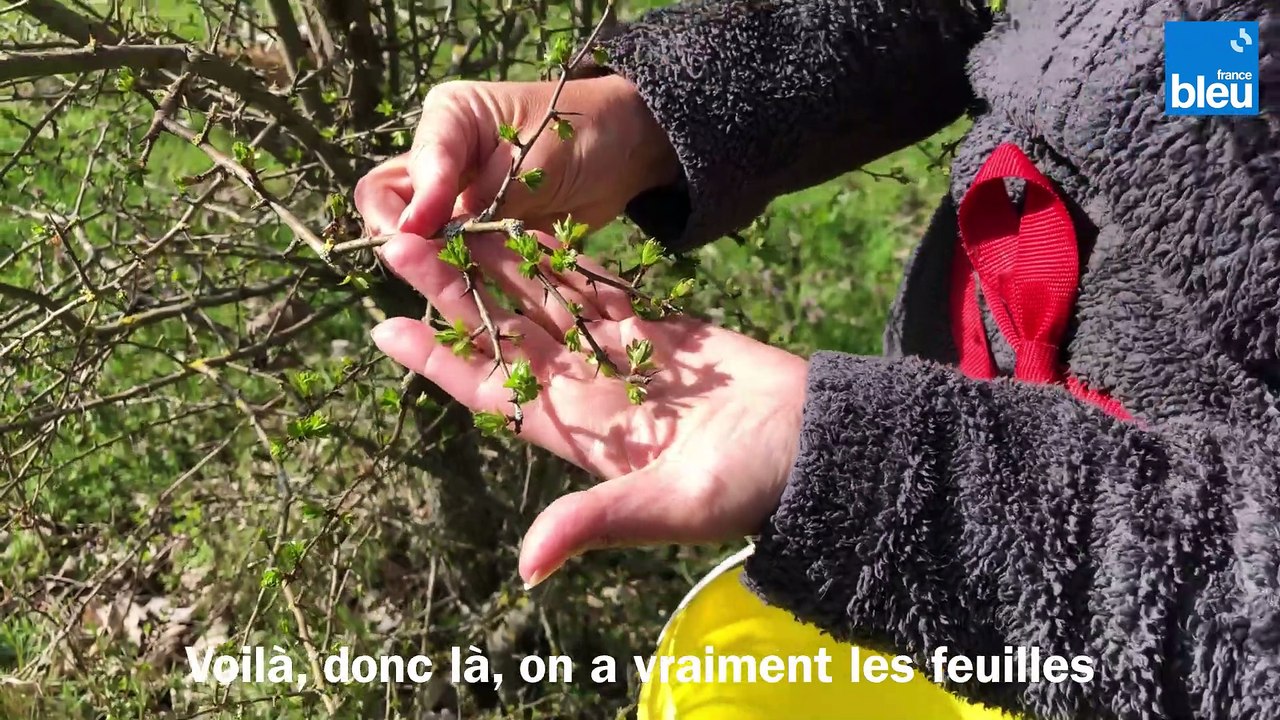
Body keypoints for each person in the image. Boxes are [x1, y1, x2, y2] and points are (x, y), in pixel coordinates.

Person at [355, 0, 1278, 716]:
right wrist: (645, 116)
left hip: (1111, 609)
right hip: (960, 373)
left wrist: (895, 477)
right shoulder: (1222, 63)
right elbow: (1149, 49)